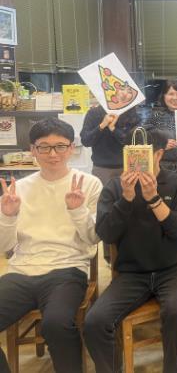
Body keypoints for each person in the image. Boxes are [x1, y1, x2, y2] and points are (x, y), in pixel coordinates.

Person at [84, 127, 177, 373]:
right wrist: (126, 198)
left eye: (143, 154)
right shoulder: (115, 187)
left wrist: (153, 198)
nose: (136, 160)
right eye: (131, 154)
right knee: (95, 321)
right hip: (131, 272)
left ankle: (171, 369)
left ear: (158, 155)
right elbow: (106, 234)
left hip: (174, 269)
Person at [0, 119, 102, 373]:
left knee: (56, 324)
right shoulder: (18, 189)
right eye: (44, 147)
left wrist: (77, 210)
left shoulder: (89, 183)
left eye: (60, 146)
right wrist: (8, 216)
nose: (53, 154)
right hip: (21, 270)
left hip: (67, 269)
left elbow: (92, 238)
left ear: (71, 148)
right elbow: (5, 247)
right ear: (32, 150)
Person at [80, 105, 140, 185]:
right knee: (102, 192)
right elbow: (86, 141)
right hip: (101, 169)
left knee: (128, 193)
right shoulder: (94, 113)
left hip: (128, 167)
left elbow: (135, 142)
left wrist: (114, 129)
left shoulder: (130, 112)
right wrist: (102, 125)